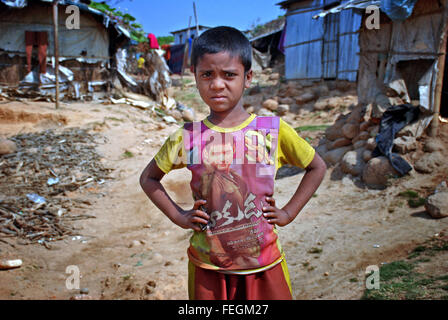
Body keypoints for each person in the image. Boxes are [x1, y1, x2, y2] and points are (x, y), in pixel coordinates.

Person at [139, 26, 327, 300]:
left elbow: (316, 166)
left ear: (247, 77)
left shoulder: (270, 130)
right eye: (207, 75)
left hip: (265, 264)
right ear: (195, 78)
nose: (217, 84)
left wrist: (288, 213)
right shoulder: (189, 137)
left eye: (229, 75)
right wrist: (179, 216)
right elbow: (149, 178)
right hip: (208, 267)